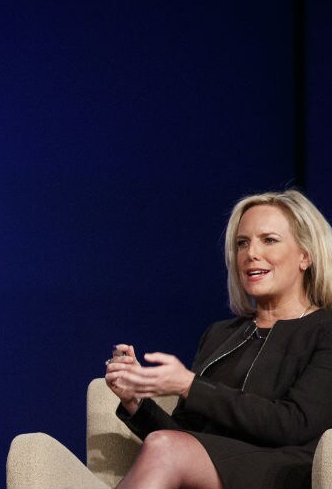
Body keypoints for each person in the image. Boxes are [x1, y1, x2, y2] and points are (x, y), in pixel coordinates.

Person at [104, 189, 332, 489]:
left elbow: (295, 424)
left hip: (285, 472)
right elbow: (182, 437)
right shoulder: (221, 334)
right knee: (164, 445)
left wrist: (190, 385)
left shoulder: (325, 330)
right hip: (214, 473)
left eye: (269, 240)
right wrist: (135, 402)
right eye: (242, 243)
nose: (251, 253)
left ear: (305, 256)